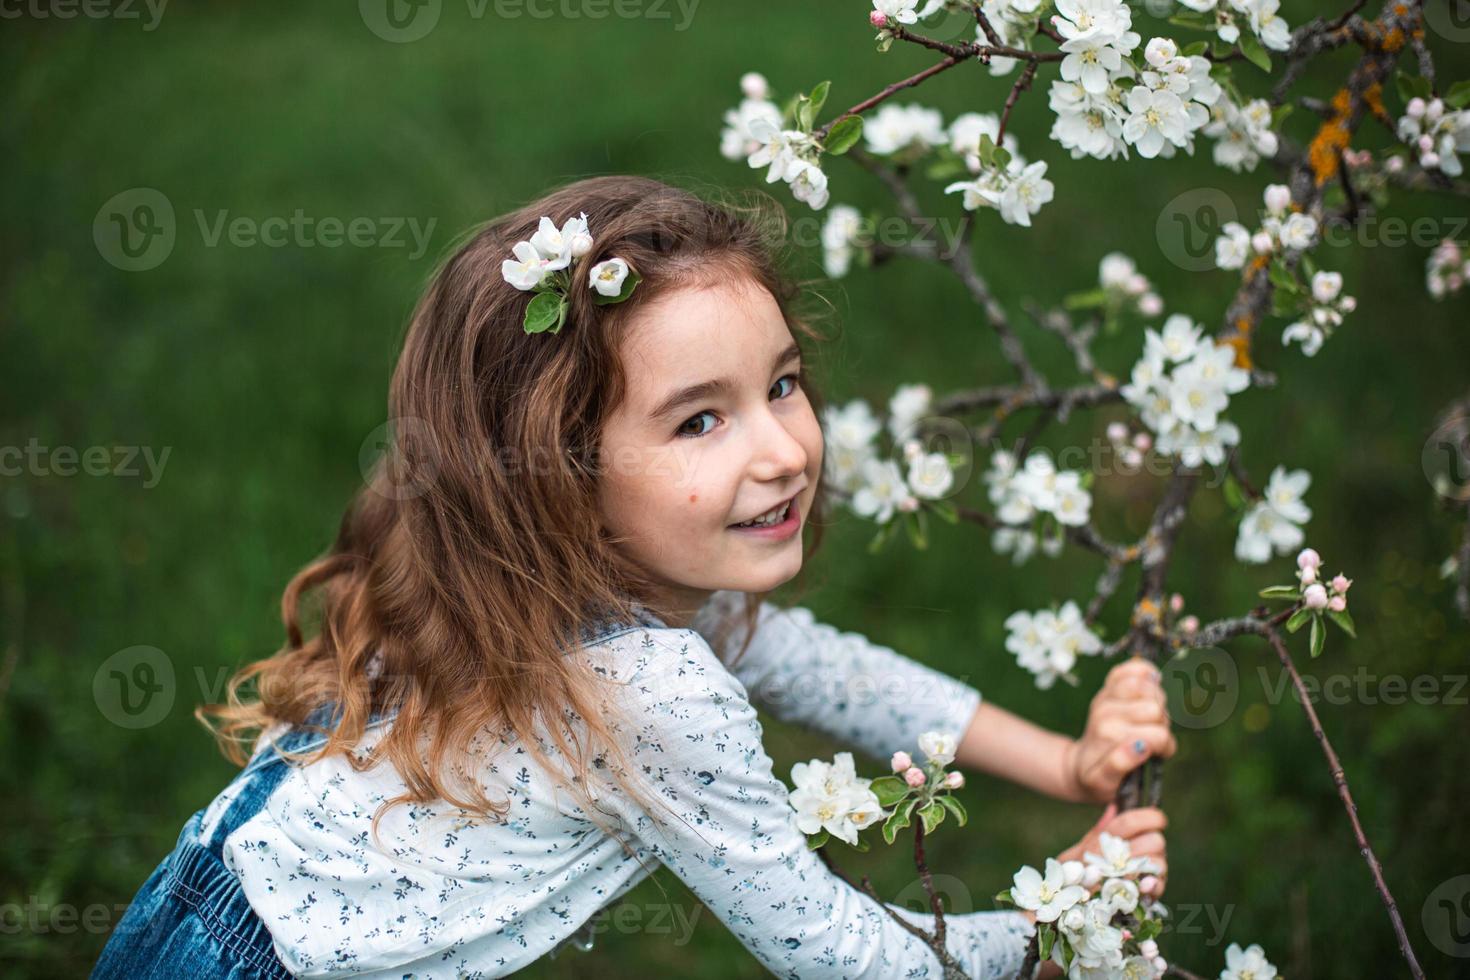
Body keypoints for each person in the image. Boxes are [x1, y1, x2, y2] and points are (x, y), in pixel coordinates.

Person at [93, 175, 1174, 979]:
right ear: (562, 471)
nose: (785, 448)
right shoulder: (657, 695)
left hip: (200, 903)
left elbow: (826, 671)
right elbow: (845, 954)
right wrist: (1058, 916)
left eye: (783, 383)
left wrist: (1070, 763)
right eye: (700, 418)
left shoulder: (510, 574)